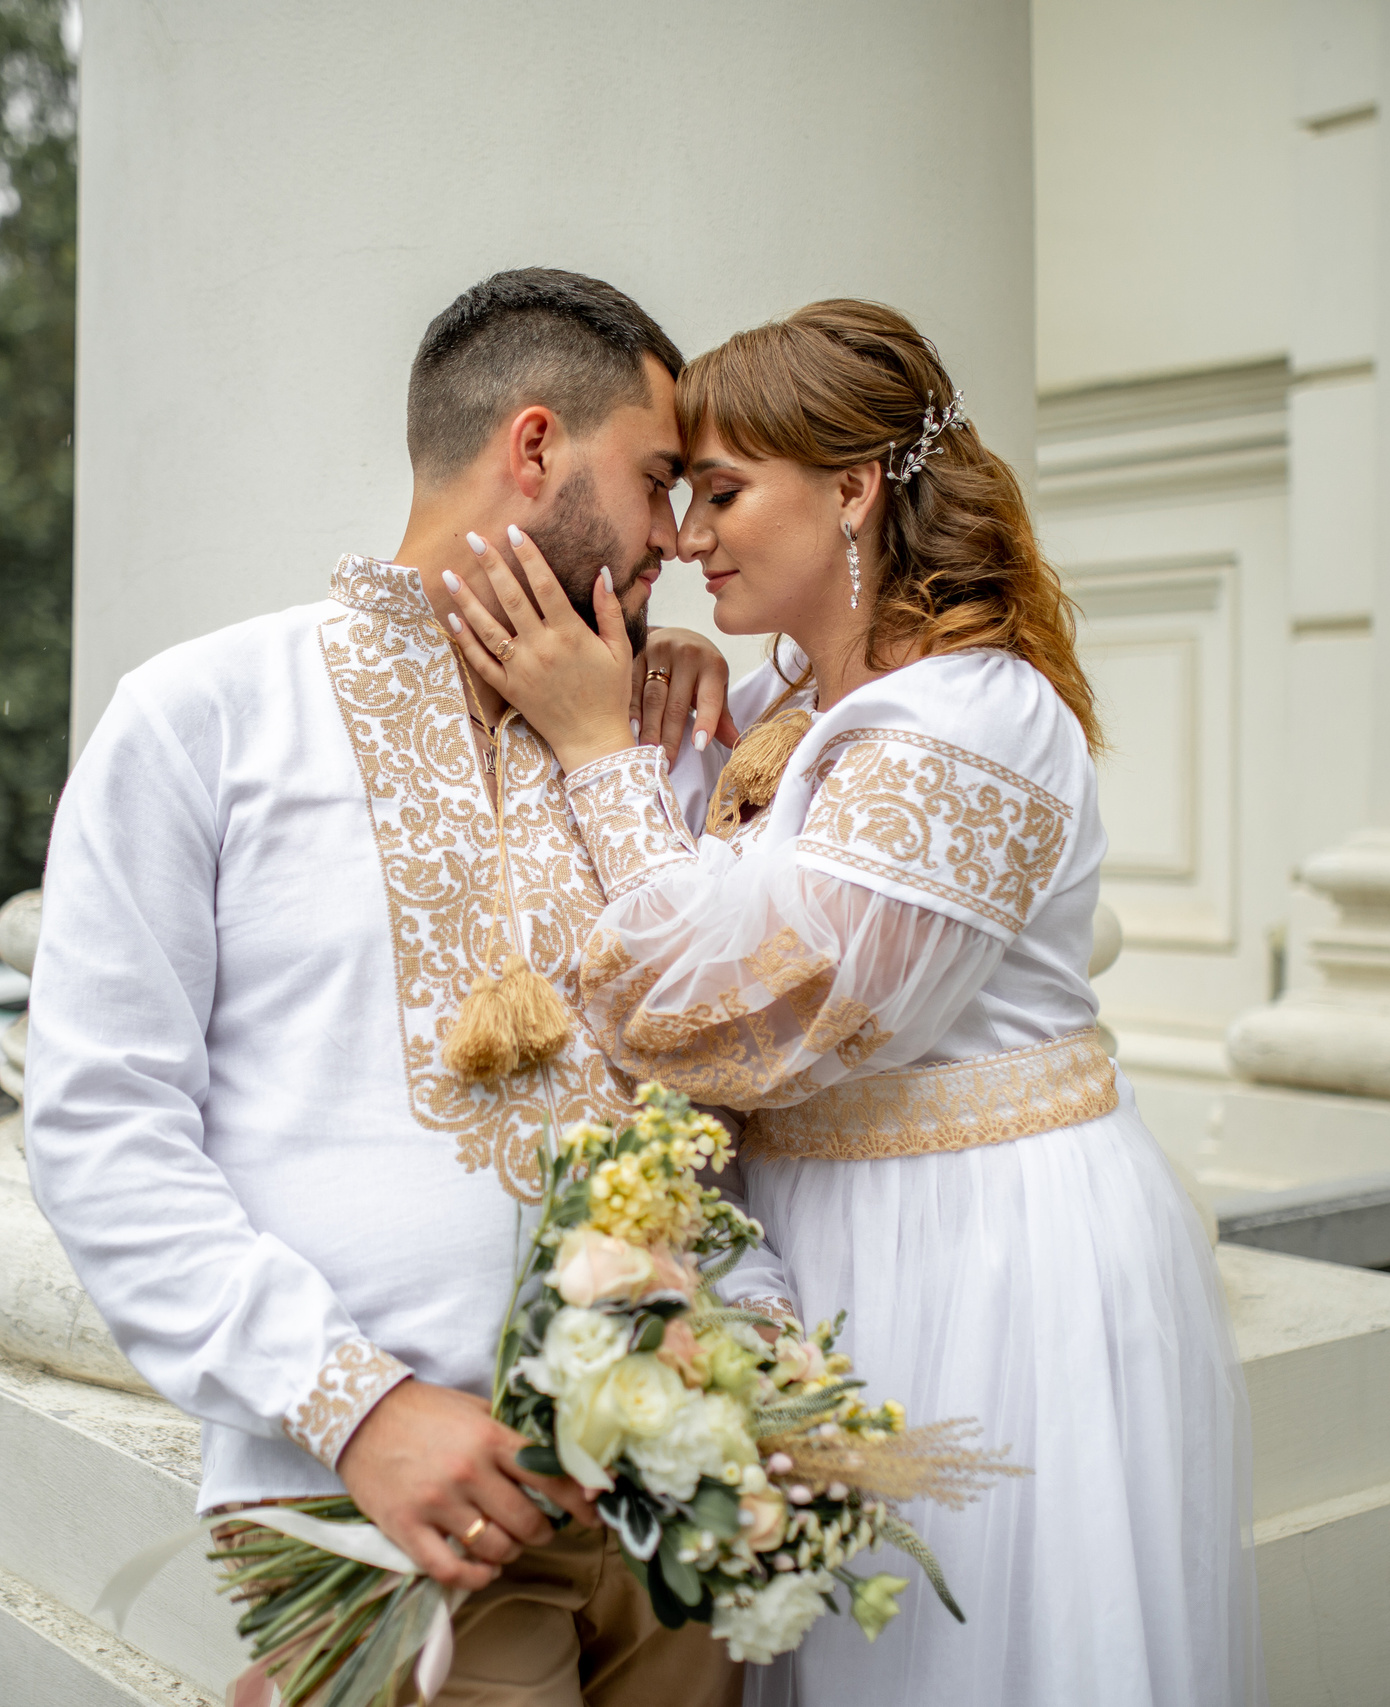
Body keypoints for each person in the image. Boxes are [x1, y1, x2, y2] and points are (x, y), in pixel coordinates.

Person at [443, 299, 1262, 1707]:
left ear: (851, 489)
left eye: (720, 491)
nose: (686, 536)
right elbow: (692, 896)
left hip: (985, 1256)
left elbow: (763, 1023)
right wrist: (653, 704)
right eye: (681, 492)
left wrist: (596, 752)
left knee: (980, 1654)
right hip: (822, 1260)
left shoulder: (974, 719)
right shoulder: (792, 701)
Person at [25, 267, 790, 1707]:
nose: (676, 542)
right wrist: (357, 1408)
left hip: (671, 1496)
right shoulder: (202, 718)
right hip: (385, 1515)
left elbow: (723, 1051)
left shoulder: (647, 739)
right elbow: (97, 1128)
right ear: (536, 448)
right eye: (656, 482)